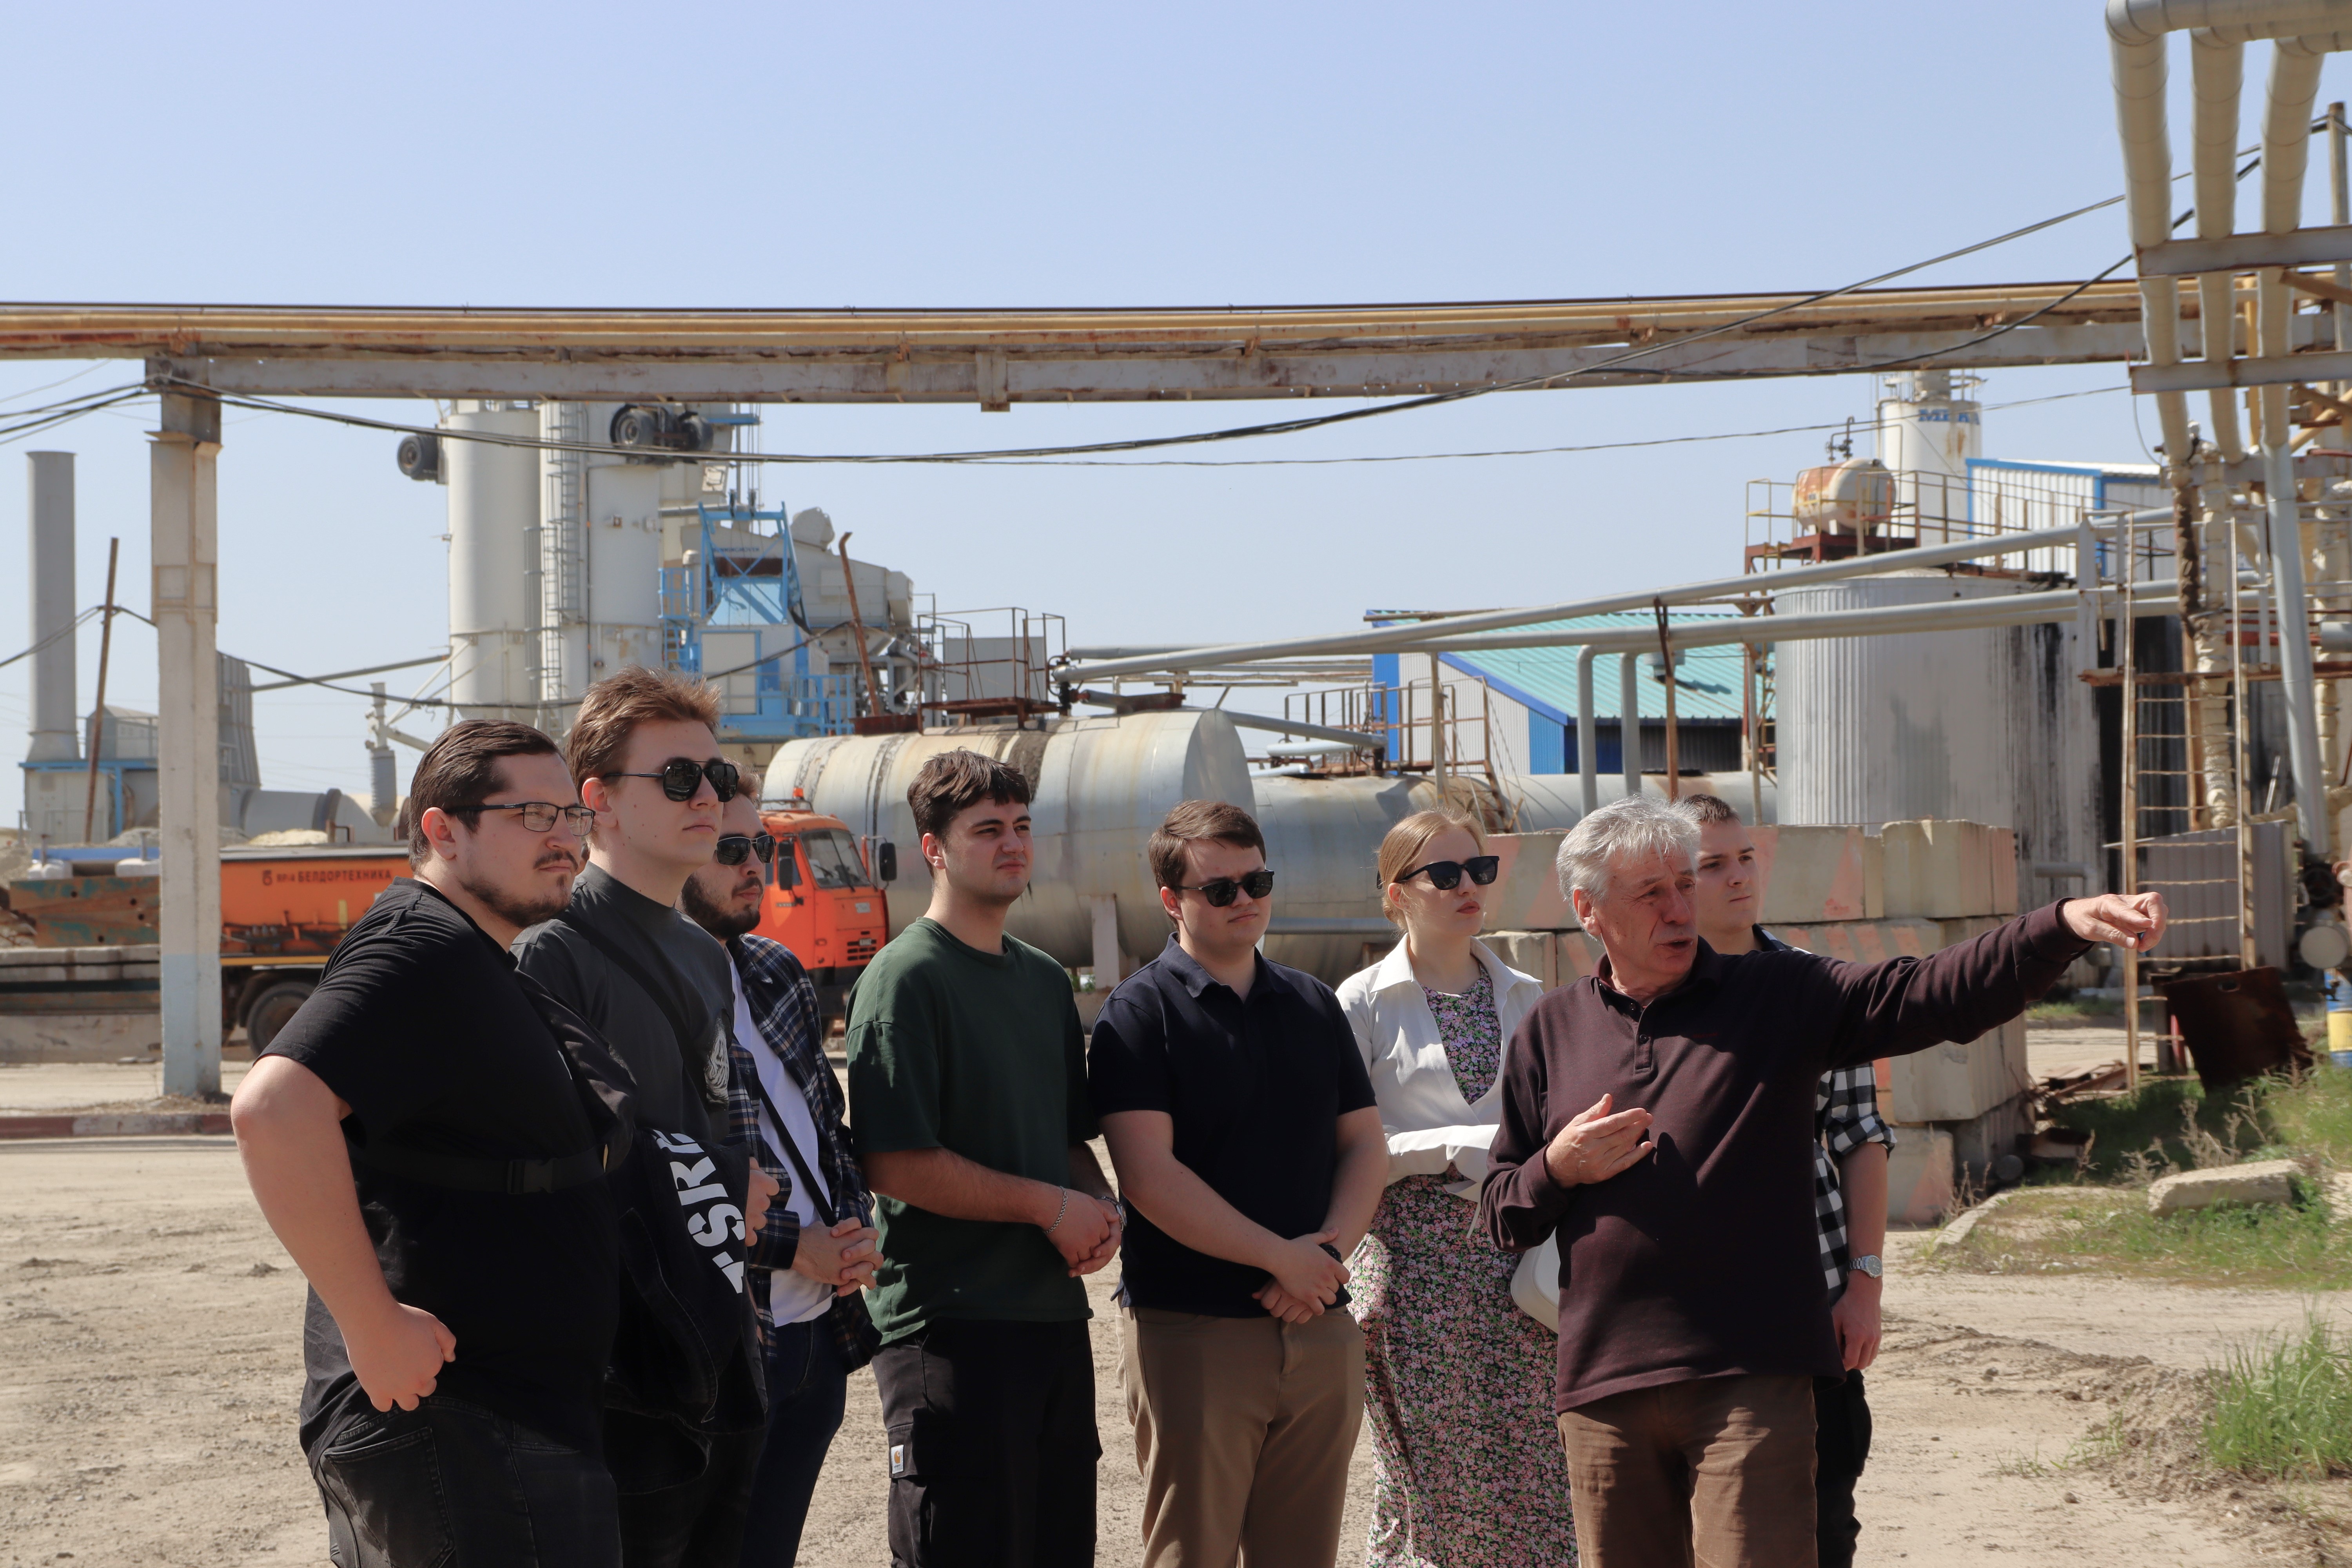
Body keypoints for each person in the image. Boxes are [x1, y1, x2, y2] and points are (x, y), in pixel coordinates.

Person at [1476, 795, 2166, 1567]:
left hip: (1751, 1371)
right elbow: (1502, 1211)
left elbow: (1929, 991)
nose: (1679, 909)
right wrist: (1558, 1167)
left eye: (1685, 884)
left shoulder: (1777, 994)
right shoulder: (1550, 1029)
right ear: (1588, 910)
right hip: (1605, 1387)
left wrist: (2061, 925)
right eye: (1650, 893)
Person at [230, 720, 625, 1568]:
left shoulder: (473, 954)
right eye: (533, 814)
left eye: (572, 815)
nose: (564, 837)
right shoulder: (422, 945)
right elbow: (274, 1108)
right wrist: (372, 1324)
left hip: (501, 1425)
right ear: (444, 830)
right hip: (462, 1431)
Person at [514, 667, 776, 1568]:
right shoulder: (550, 951)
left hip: (713, 1331)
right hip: (619, 1365)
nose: (709, 797)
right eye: (678, 778)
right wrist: (721, 1182)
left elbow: (713, 1114)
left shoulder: (706, 953)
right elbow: (560, 1165)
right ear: (599, 801)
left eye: (718, 776)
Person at [1090, 799, 1388, 1568]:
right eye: (1220, 889)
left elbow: (1364, 1145)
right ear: (1172, 900)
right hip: (1195, 1330)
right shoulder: (1138, 1012)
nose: (1245, 899)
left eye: (1257, 881)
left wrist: (1323, 1259)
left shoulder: (1314, 1003)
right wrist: (1281, 1259)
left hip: (1318, 1321)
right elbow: (1148, 1176)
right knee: (1192, 1554)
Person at [846, 749, 1121, 1568]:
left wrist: (1100, 1208)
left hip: (1052, 1319)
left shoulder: (1042, 980)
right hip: (949, 1325)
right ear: (934, 848)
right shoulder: (905, 977)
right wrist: (1051, 1206)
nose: (1013, 844)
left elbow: (1066, 1138)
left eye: (1023, 826)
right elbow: (895, 1163)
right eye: (989, 829)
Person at [1335, 809, 1576, 1568]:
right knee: (1432, 1487)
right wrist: (1448, 1147)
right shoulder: (1361, 1002)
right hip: (1413, 1267)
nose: (1468, 886)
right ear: (1396, 893)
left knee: (1538, 1477)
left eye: (1480, 870)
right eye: (1444, 874)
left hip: (1521, 1261)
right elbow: (1341, 1144)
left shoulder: (1530, 996)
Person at [1675, 794, 1888, 1568]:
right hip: (1687, 1317)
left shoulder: (1816, 987)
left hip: (1809, 1299)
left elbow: (1861, 1135)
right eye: (1712, 865)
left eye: (1745, 858)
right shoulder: (1646, 991)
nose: (1738, 877)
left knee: (1821, 1521)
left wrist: (1863, 1283)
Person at [681, 782, 884, 1568]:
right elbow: (670, 1178)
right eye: (732, 850)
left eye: (760, 847)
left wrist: (854, 1227)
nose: (755, 867)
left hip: (818, 1336)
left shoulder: (775, 968)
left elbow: (826, 1126)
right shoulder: (654, 986)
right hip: (736, 1342)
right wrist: (797, 1246)